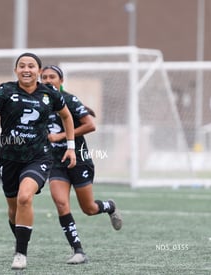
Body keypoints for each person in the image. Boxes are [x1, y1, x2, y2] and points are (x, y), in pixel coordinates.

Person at [0, 53, 76, 270]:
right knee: (13, 209)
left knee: (25, 198)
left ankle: (20, 254)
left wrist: (71, 147)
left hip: (38, 157)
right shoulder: (6, 91)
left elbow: (66, 116)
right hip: (8, 159)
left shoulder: (50, 93)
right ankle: (21, 238)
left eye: (31, 66)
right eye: (22, 66)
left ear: (38, 70)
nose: (27, 69)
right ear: (16, 70)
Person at [41, 65, 123, 264]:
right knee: (61, 204)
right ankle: (78, 251)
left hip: (79, 159)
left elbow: (90, 125)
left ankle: (109, 206)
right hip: (56, 162)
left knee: (89, 208)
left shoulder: (69, 99)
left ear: (61, 81)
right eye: (44, 77)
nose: (48, 80)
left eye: (52, 77)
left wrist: (60, 136)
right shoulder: (38, 102)